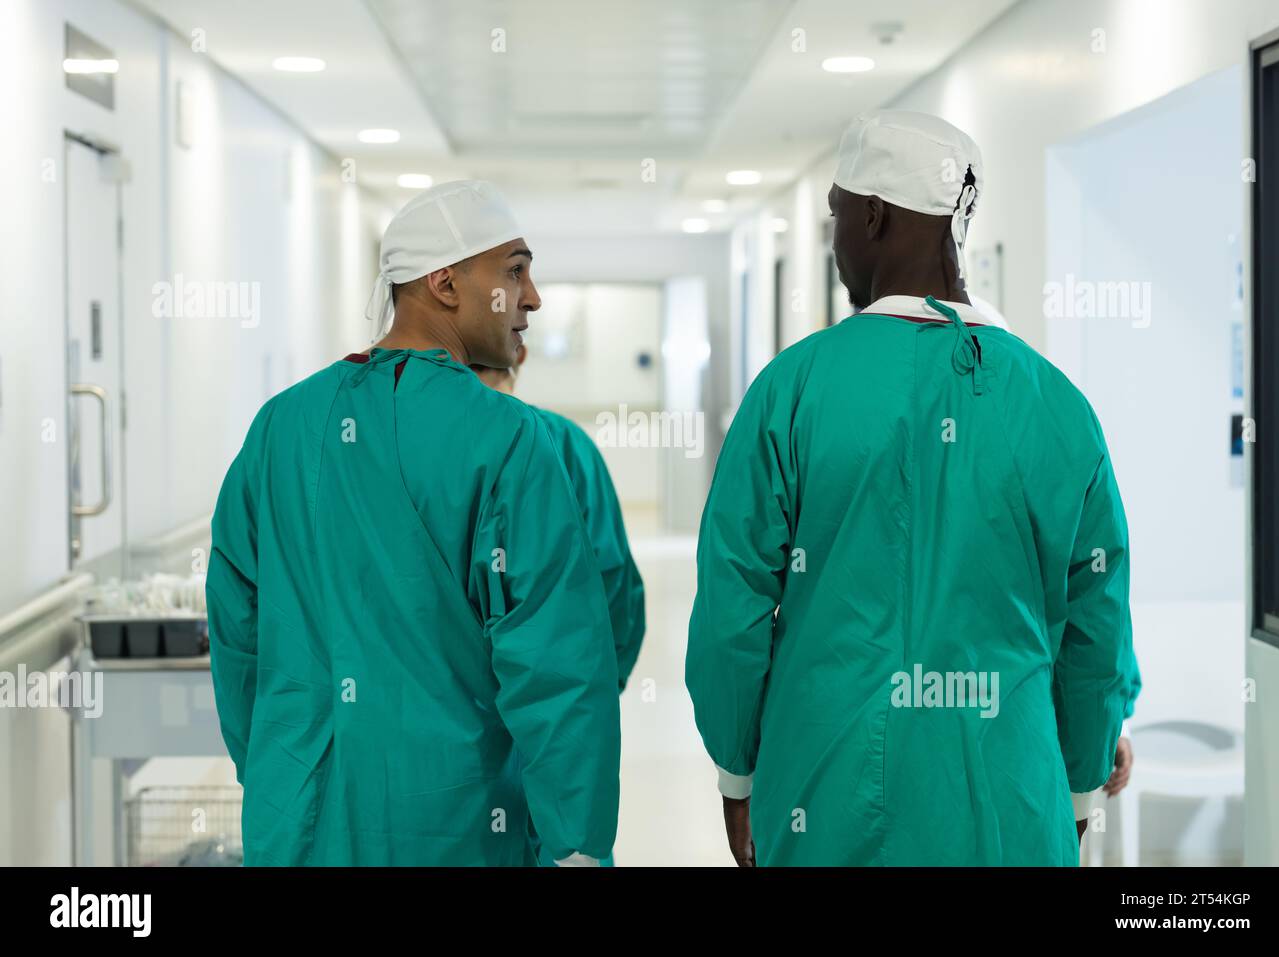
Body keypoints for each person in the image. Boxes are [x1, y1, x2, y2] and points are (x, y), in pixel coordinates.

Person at [686, 110, 1138, 866]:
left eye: (836, 216)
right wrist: (1079, 789)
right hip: (1009, 795)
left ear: (872, 215)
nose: (834, 244)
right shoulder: (1059, 407)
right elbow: (1096, 624)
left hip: (824, 794)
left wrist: (738, 775)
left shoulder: (791, 392)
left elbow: (733, 606)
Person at [207, 180, 620, 866]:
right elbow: (559, 668)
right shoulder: (509, 439)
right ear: (446, 283)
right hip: (454, 823)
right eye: (513, 271)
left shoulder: (281, 426)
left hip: (298, 823)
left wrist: (280, 768)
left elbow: (235, 629)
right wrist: (575, 847)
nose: (534, 297)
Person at [473, 345, 646, 692]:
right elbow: (611, 574)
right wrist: (602, 680)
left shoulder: (423, 445)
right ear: (519, 355)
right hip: (557, 694)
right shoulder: (564, 442)